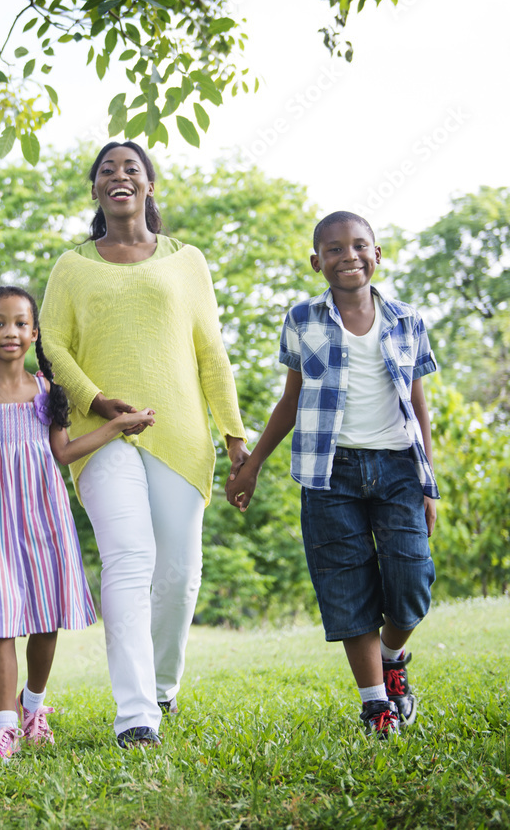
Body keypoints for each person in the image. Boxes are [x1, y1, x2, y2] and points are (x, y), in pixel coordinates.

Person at [39, 141, 248, 749]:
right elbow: (52, 346)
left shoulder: (188, 262)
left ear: (150, 187)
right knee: (129, 562)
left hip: (180, 434)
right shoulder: (71, 267)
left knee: (179, 573)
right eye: (108, 170)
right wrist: (100, 403)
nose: (120, 176)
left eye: (132, 168)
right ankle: (135, 714)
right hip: (101, 434)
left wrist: (236, 440)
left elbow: (212, 352)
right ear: (96, 191)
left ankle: (161, 687)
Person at [0, 286, 155, 765]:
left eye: (20, 323)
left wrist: (115, 427)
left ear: (34, 333)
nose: (10, 332)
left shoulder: (48, 391)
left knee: (44, 613)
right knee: (1, 619)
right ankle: (5, 728)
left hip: (42, 509)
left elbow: (63, 452)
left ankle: (34, 707)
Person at [225, 211, 438, 739]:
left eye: (359, 246)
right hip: (329, 474)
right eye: (335, 249)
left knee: (412, 582)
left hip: (397, 470)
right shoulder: (303, 319)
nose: (349, 257)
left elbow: (417, 400)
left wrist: (429, 481)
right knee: (346, 589)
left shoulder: (407, 320)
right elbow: (291, 400)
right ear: (316, 261)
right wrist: (251, 465)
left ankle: (393, 657)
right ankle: (376, 706)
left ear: (377, 254)